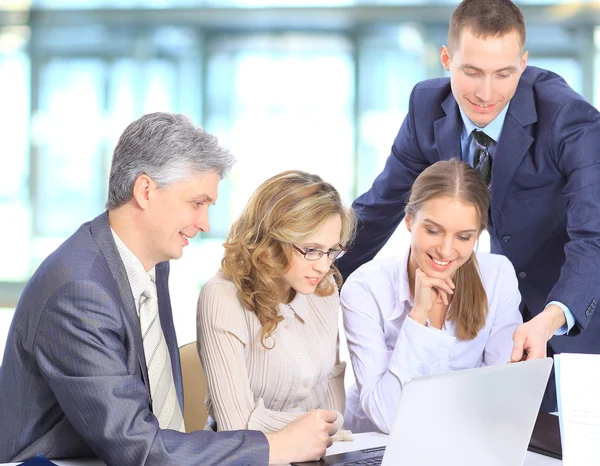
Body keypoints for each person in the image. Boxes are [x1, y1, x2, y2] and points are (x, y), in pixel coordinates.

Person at [0, 113, 338, 466]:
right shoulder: (80, 291)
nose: (205, 223)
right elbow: (139, 448)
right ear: (145, 191)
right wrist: (276, 447)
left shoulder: (146, 262)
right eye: (196, 203)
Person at [336, 0, 600, 412]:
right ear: (446, 58)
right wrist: (316, 275)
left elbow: (594, 233)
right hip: (502, 310)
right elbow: (379, 208)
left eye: (504, 74)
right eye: (472, 72)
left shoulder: (568, 118)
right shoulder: (427, 108)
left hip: (574, 302)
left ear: (524, 63)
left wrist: (552, 317)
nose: (485, 93)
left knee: (567, 433)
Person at [341, 159, 523, 434]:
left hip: (459, 438)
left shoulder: (497, 277)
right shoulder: (366, 288)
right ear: (409, 221)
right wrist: (418, 318)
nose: (446, 250)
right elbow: (388, 416)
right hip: (375, 445)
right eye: (433, 231)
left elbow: (500, 392)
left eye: (463, 237)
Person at [196, 170, 356, 437]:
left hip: (315, 454)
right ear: (271, 241)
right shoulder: (221, 297)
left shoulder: (325, 290)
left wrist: (319, 431)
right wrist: (313, 427)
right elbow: (236, 428)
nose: (324, 266)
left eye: (331, 251)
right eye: (311, 250)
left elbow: (333, 416)